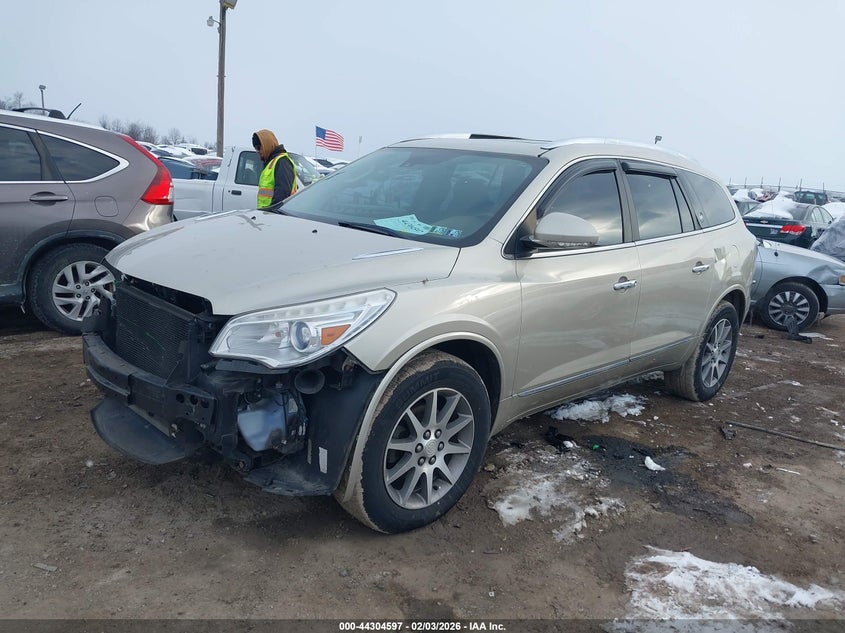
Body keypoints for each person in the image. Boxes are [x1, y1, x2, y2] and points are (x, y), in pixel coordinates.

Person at [252, 129, 297, 208]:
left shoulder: (282, 162)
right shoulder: (271, 163)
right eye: (256, 149)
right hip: (266, 214)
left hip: (274, 216)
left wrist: (271, 214)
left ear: (267, 144)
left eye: (259, 147)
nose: (258, 151)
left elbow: (282, 195)